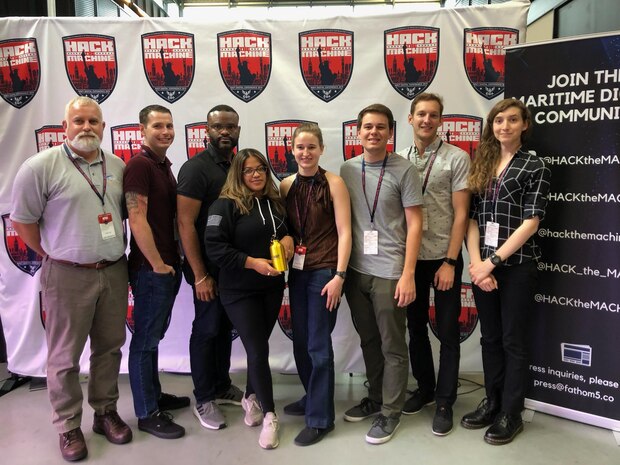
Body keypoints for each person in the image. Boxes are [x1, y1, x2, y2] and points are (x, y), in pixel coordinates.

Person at [10, 96, 132, 461]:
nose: (86, 127)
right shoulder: (40, 167)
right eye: (78, 121)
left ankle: (105, 412)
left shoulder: (117, 165)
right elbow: (22, 221)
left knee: (109, 348)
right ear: (65, 127)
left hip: (112, 270)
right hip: (66, 275)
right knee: (64, 357)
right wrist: (50, 254)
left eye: (93, 121)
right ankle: (67, 425)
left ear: (104, 127)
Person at [461, 98, 550, 445]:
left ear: (524, 125)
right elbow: (471, 218)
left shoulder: (535, 166)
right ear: (492, 126)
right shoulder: (482, 162)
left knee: (513, 341)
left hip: (515, 268)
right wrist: (476, 263)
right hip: (483, 269)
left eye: (513, 120)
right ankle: (492, 401)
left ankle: (511, 413)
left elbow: (532, 222)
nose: (505, 127)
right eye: (499, 121)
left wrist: (492, 262)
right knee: (489, 339)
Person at [340, 104, 423, 445]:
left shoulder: (404, 171)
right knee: (369, 340)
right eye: (367, 127)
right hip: (357, 270)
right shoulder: (346, 170)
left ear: (391, 132)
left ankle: (391, 410)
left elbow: (416, 223)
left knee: (392, 344)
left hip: (390, 270)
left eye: (380, 127)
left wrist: (409, 274)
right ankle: (376, 397)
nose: (373, 132)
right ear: (358, 132)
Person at [205, 149, 294, 449]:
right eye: (248, 170)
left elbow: (288, 231)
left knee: (261, 347)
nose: (256, 175)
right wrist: (251, 262)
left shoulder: (275, 202)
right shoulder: (224, 205)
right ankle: (270, 415)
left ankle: (249, 396)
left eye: (261, 169)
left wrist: (289, 239)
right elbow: (214, 248)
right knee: (257, 351)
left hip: (271, 288)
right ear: (238, 175)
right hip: (238, 291)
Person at [396, 93, 471, 436]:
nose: (427, 120)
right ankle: (425, 389)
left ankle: (445, 401)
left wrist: (451, 262)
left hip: (443, 258)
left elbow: (461, 215)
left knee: (448, 334)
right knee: (415, 329)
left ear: (441, 121)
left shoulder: (456, 158)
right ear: (410, 119)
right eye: (421, 114)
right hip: (410, 259)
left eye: (434, 115)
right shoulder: (399, 160)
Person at [279, 124, 352, 446]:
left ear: (321, 149)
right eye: (300, 147)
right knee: (301, 342)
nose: (305, 153)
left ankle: (322, 420)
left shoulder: (334, 183)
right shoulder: (285, 185)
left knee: (319, 347)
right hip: (298, 272)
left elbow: (345, 231)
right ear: (291, 150)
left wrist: (340, 276)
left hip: (325, 272)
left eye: (311, 147)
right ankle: (313, 397)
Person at [177, 105, 244, 431]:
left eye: (230, 127)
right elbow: (185, 224)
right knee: (206, 330)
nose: (225, 132)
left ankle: (221, 384)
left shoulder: (238, 165)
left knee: (223, 330)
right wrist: (200, 274)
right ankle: (203, 396)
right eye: (218, 126)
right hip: (207, 269)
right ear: (207, 130)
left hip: (232, 268)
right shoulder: (196, 169)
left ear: (238, 130)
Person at [124, 104, 189, 440]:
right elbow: (137, 218)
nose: (165, 131)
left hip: (166, 266)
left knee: (153, 338)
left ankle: (154, 393)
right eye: (158, 126)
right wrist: (157, 264)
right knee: (145, 342)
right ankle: (148, 412)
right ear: (142, 130)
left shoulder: (163, 166)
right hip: (152, 269)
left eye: (169, 125)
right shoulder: (139, 165)